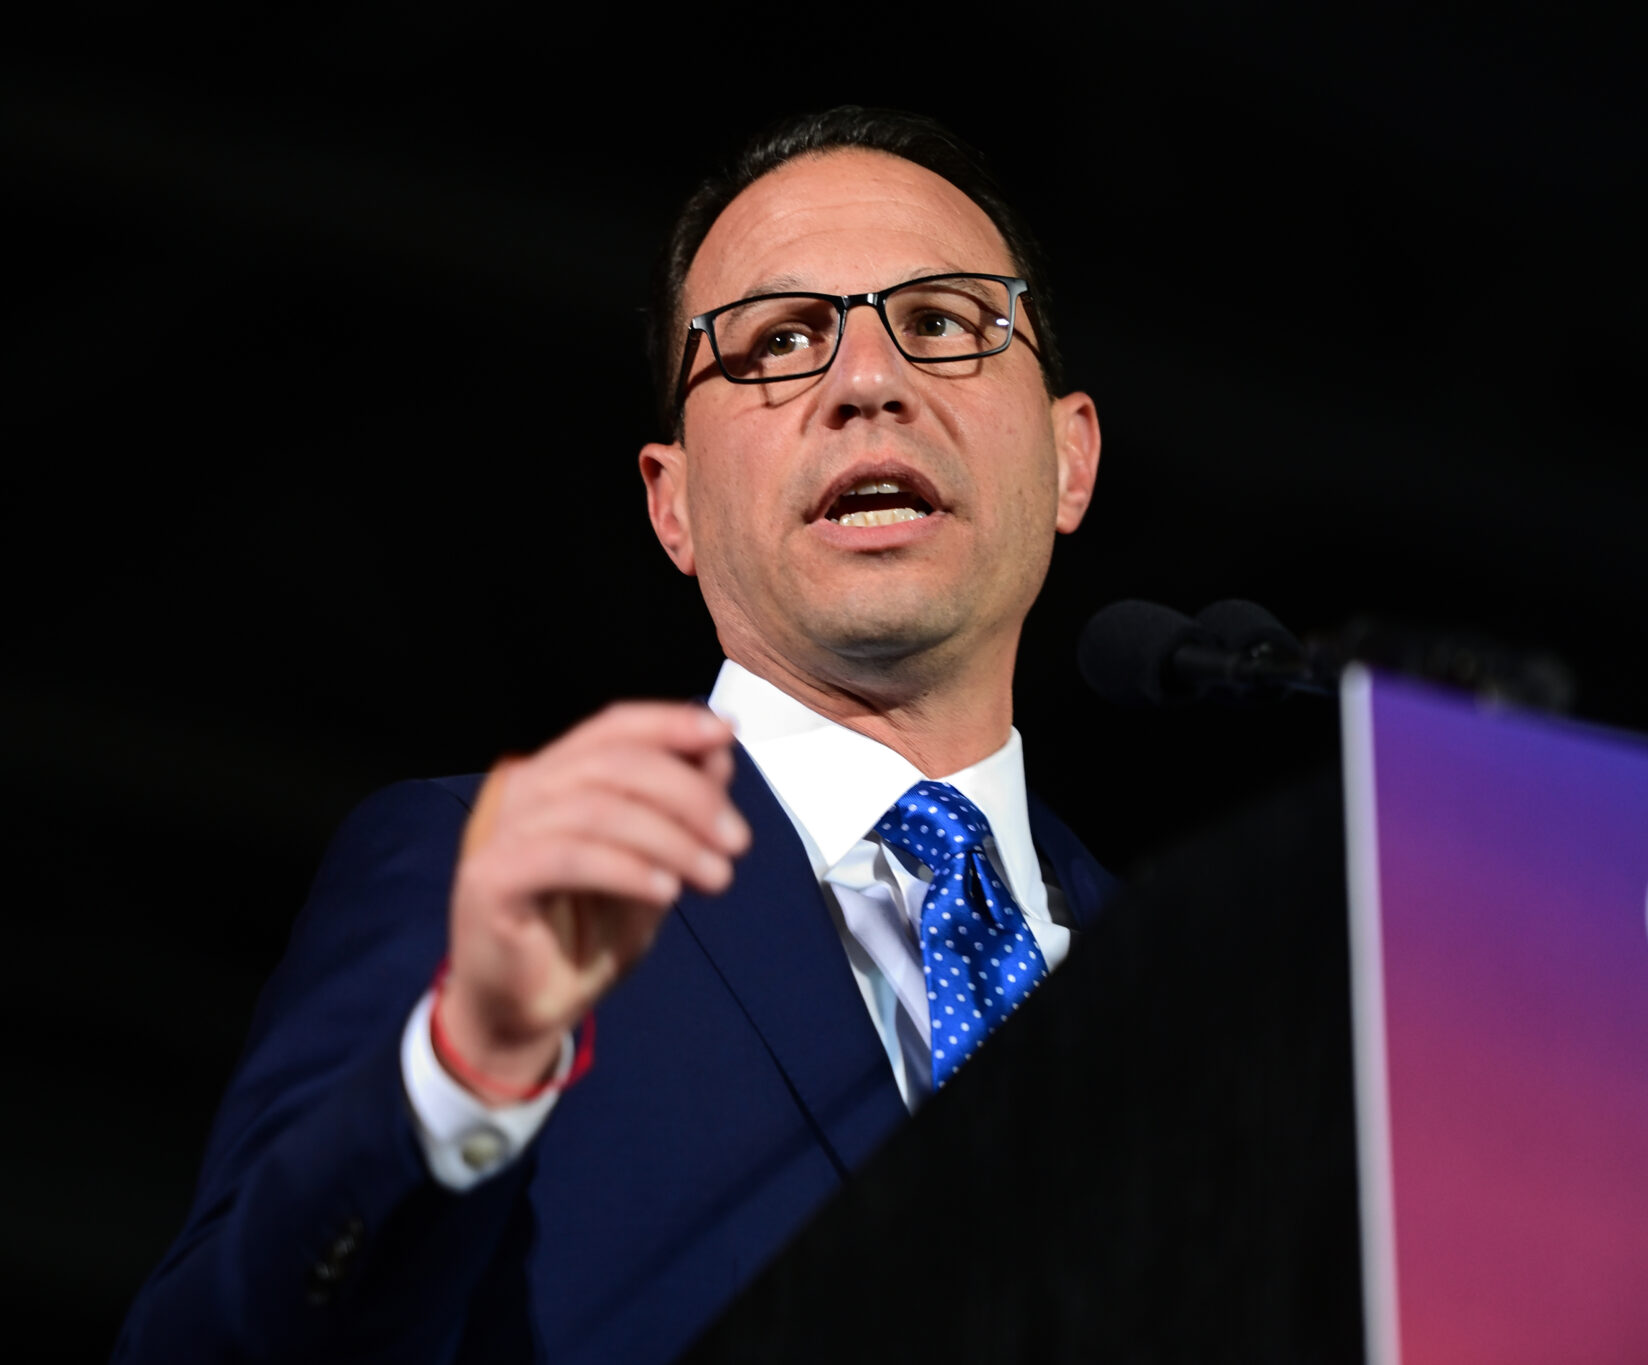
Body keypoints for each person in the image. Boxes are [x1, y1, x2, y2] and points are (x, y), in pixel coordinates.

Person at [113, 106, 1113, 1365]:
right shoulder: (480, 879)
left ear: (1070, 458)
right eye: (778, 342)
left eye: (941, 324)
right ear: (673, 502)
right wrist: (460, 1072)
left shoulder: (1217, 978)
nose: (868, 382)